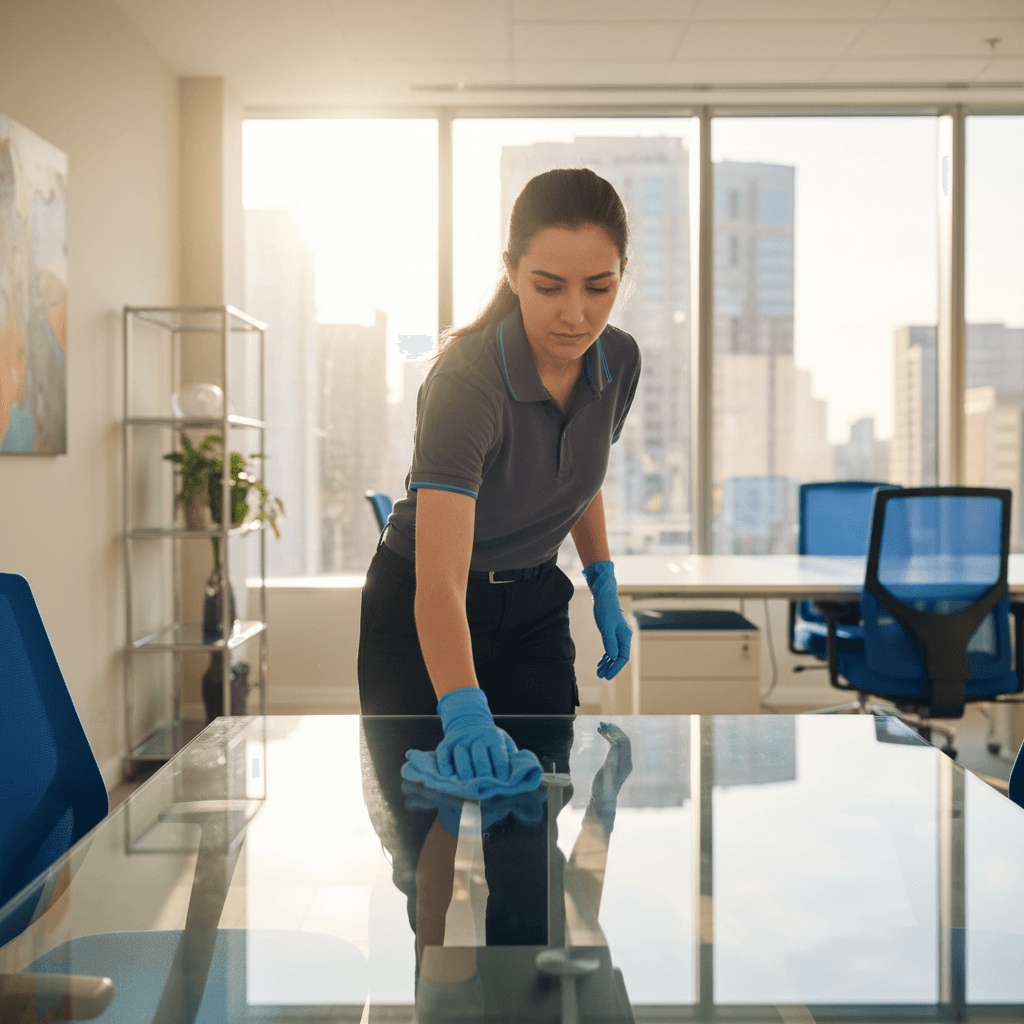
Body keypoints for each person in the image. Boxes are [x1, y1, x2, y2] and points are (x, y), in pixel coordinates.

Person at [358, 167, 641, 784]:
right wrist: (461, 711)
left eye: (599, 286)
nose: (575, 315)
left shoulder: (619, 358)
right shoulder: (468, 381)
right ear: (512, 273)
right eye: (548, 287)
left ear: (623, 274)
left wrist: (602, 581)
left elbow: (577, 474)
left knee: (538, 826)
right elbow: (439, 582)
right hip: (423, 603)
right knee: (423, 835)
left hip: (535, 600)